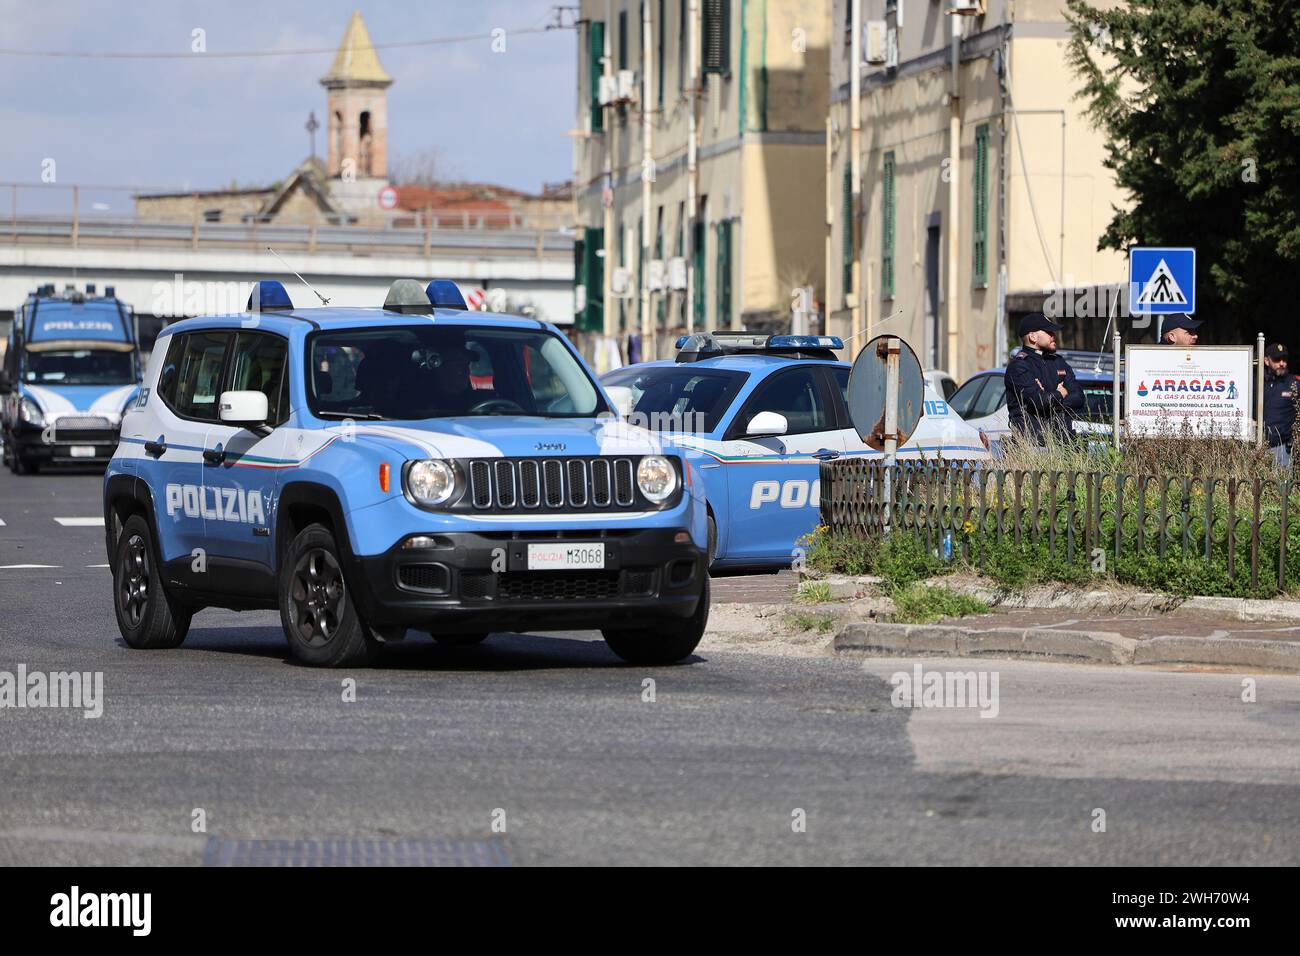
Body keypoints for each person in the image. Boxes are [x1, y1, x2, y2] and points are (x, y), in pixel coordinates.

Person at [1005, 313, 1085, 446]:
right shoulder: (1019, 366)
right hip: (1032, 446)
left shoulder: (1058, 362)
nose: (1053, 335)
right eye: (1048, 331)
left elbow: (1079, 397)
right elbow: (1039, 401)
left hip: (1063, 445)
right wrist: (1061, 393)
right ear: (1033, 337)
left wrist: (1052, 399)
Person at [1262, 343, 1297, 468]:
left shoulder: (1294, 384)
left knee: (1282, 485)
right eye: (1277, 360)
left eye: (1284, 359)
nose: (1282, 363)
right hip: (1255, 447)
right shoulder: (1257, 382)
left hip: (1282, 448)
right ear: (1266, 360)